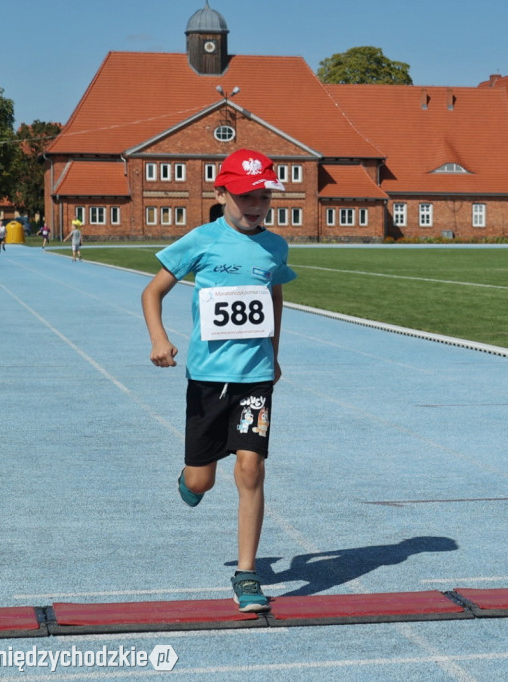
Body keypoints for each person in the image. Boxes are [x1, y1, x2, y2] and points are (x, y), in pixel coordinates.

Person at [142, 148, 295, 612]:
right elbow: (152, 292)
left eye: (263, 196)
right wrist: (159, 339)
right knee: (202, 481)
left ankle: (246, 574)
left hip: (255, 378)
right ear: (222, 192)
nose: (256, 205)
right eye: (247, 196)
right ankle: (190, 478)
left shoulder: (275, 246)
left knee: (251, 468)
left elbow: (274, 298)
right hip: (207, 378)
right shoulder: (200, 241)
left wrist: (273, 352)